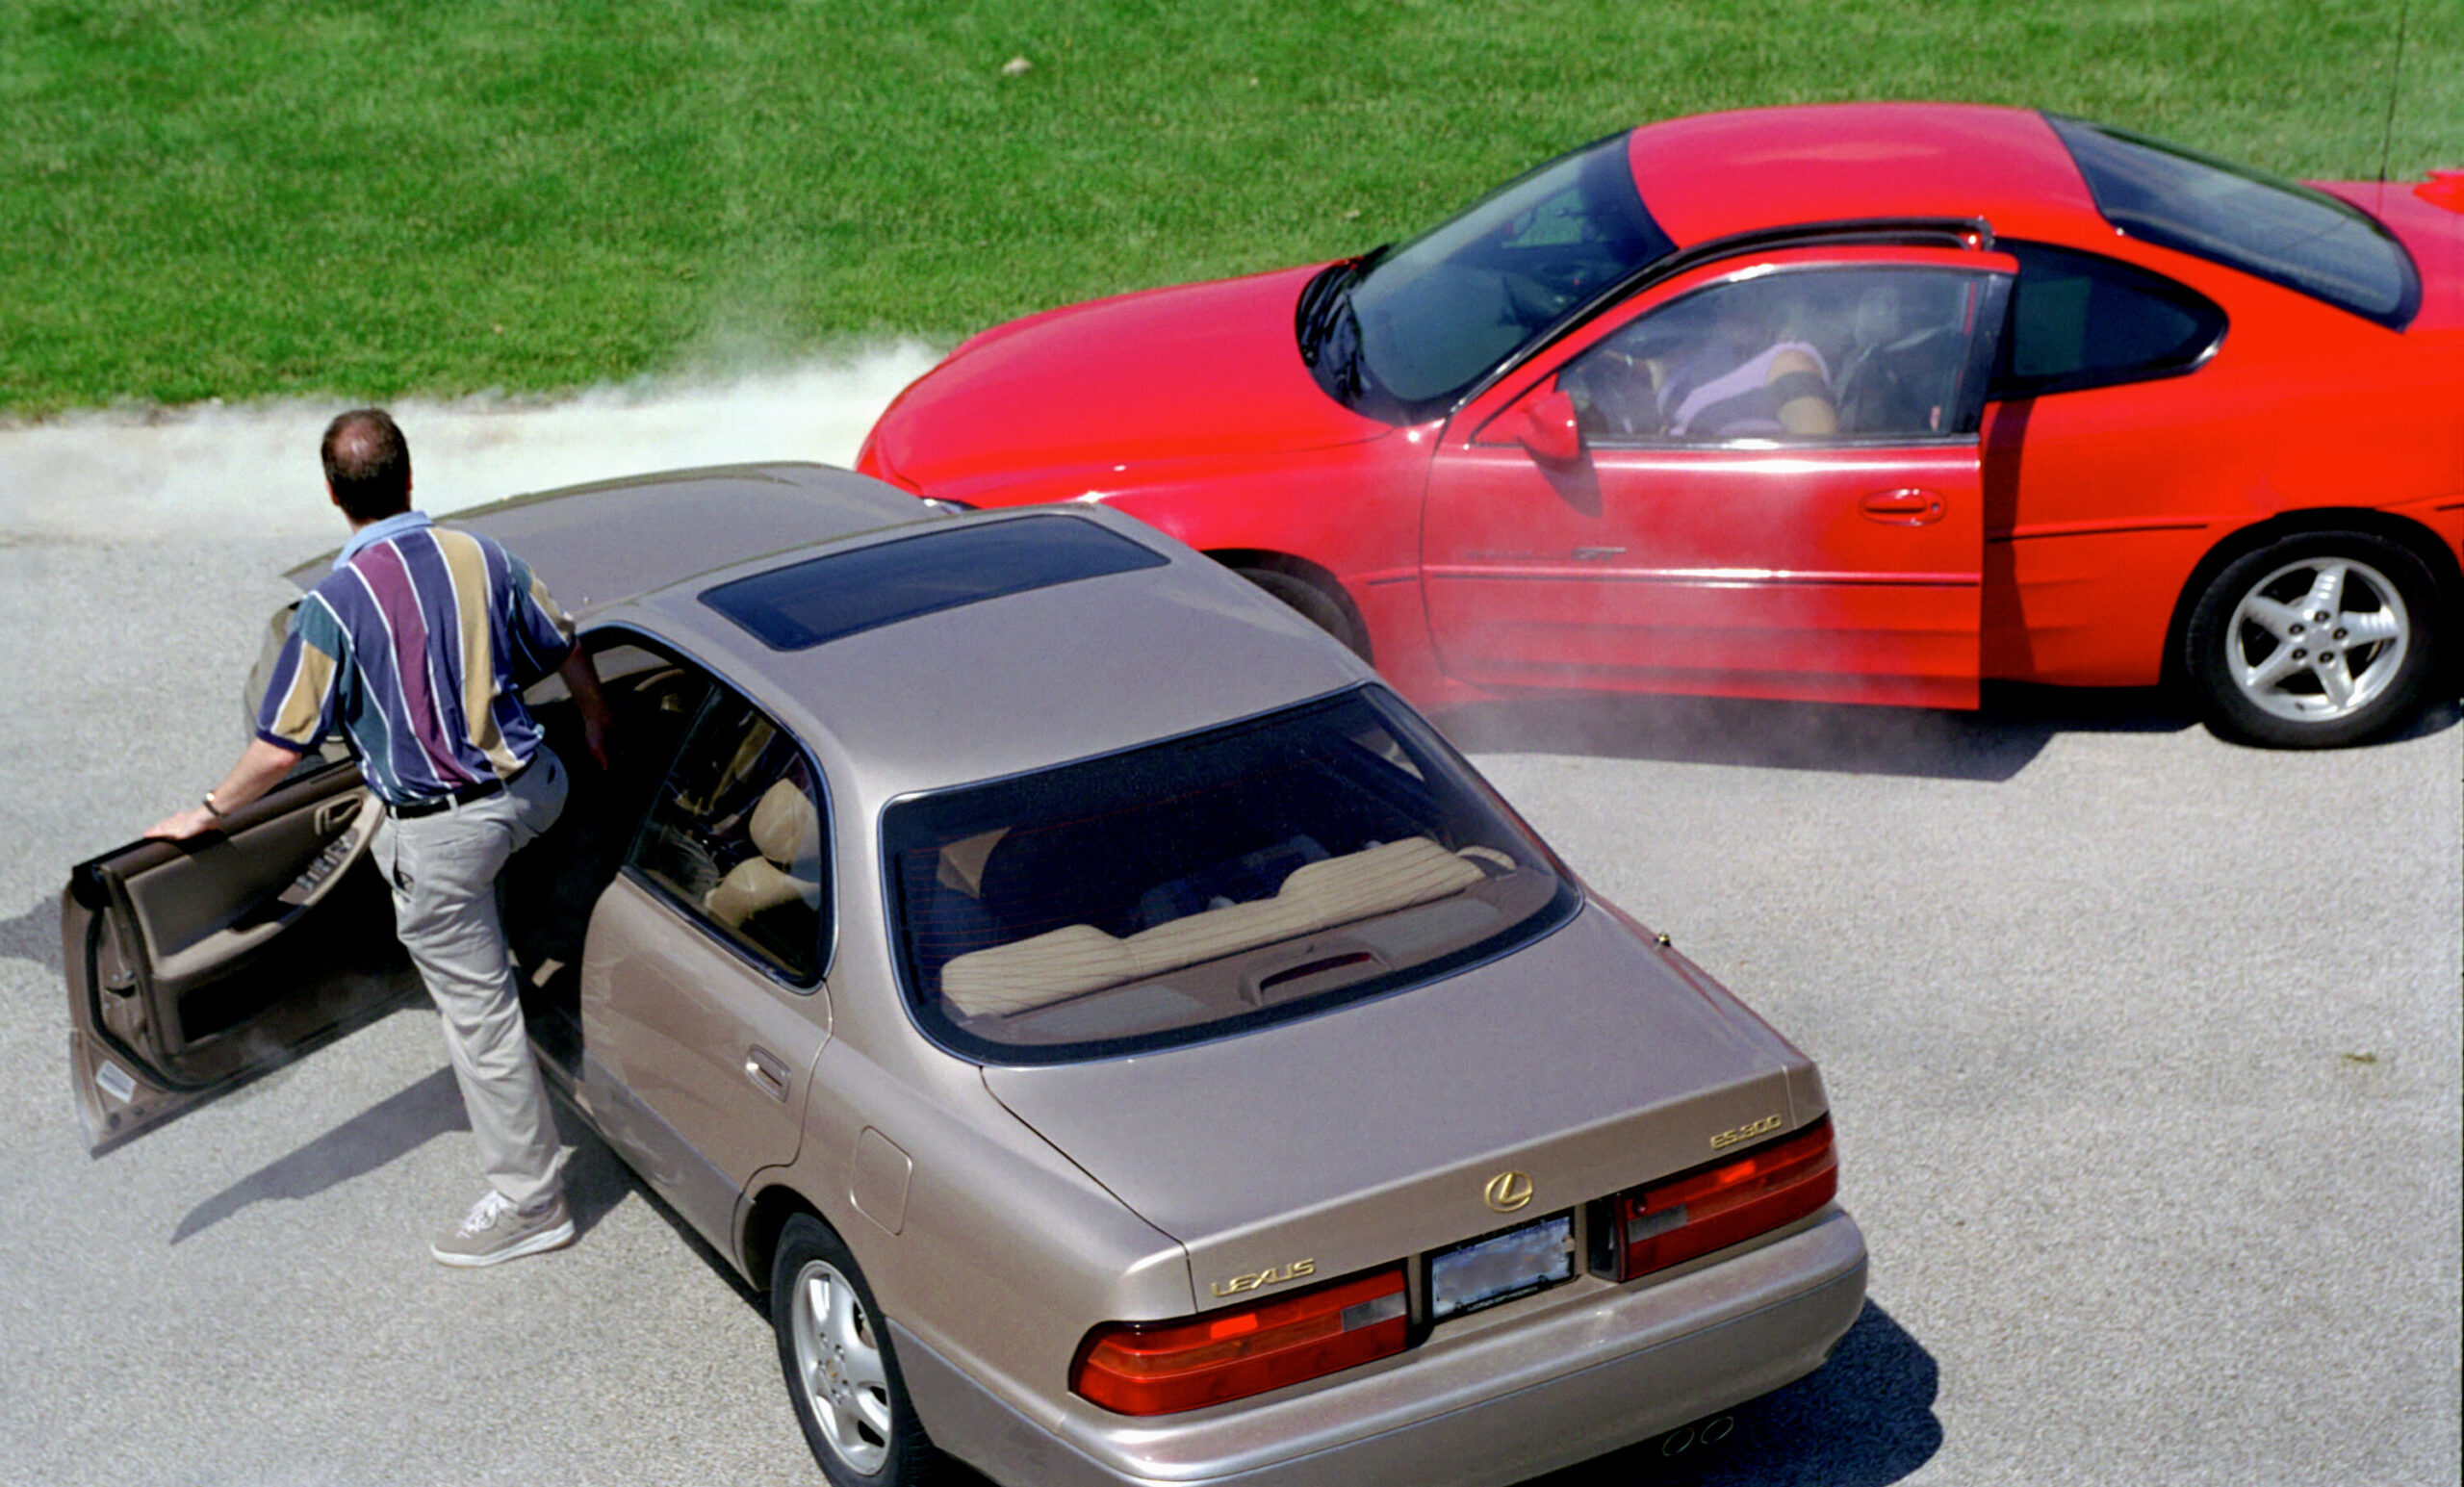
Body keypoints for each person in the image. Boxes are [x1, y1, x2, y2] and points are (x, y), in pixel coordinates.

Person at [146, 408, 614, 1269]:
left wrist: (207, 811)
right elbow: (565, 646)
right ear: (408, 475)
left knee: (480, 1016)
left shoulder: (334, 605)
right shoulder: (483, 557)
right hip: (536, 792)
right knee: (507, 860)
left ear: (333, 495)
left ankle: (532, 1199)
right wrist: (591, 721)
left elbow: (279, 750)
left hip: (447, 839)